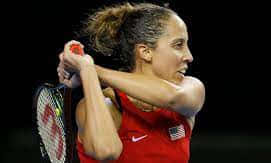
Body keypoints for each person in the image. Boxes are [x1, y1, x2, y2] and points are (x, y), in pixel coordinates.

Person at [57, 2, 205, 163]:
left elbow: (173, 96)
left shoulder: (191, 89)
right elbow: (106, 151)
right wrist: (87, 70)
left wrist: (91, 70)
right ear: (146, 52)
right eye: (178, 45)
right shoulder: (107, 104)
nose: (189, 56)